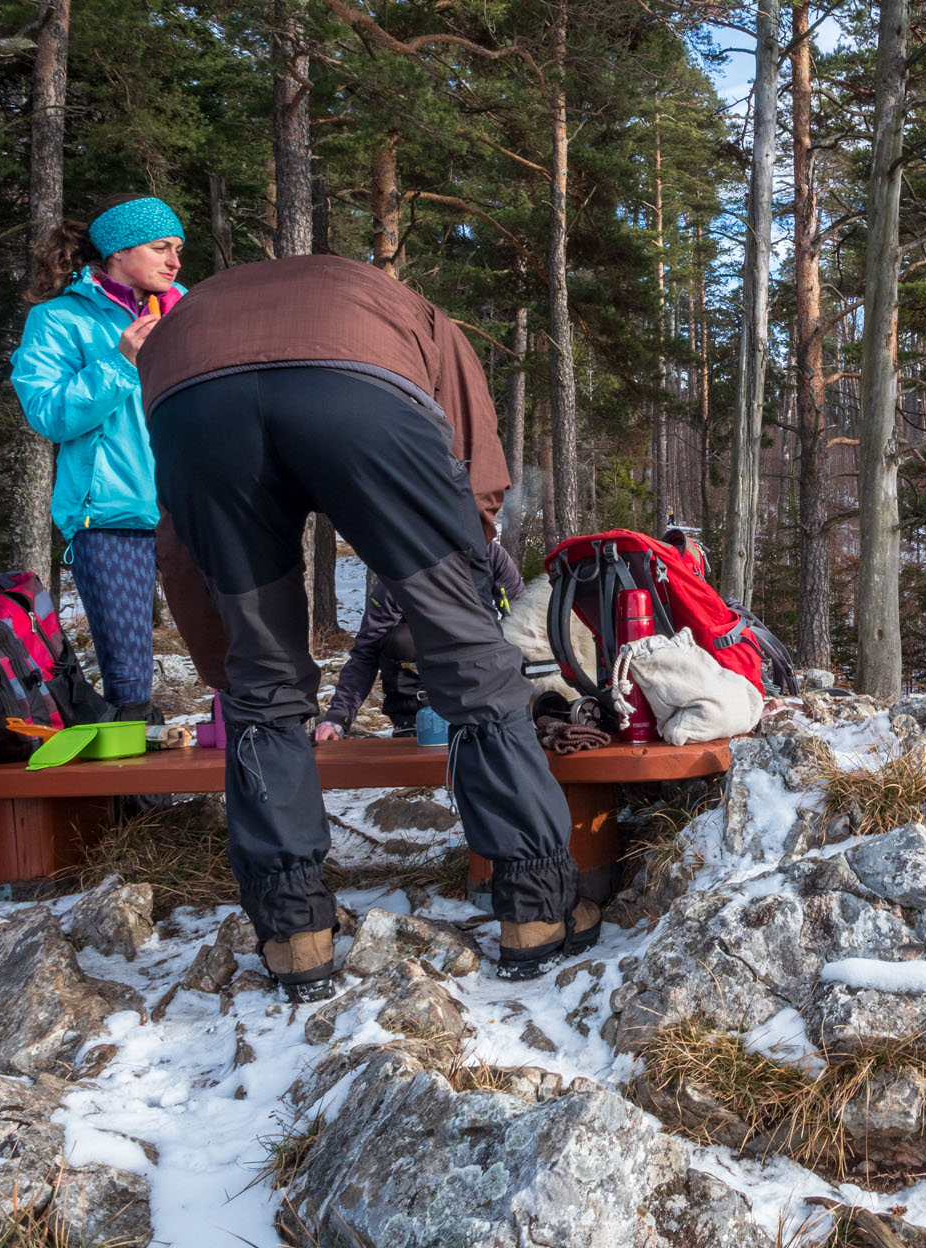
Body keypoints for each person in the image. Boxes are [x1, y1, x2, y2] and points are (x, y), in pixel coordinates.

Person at [137, 255, 595, 1001]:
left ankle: (294, 936)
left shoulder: (185, 321)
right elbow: (474, 467)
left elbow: (182, 550)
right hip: (361, 392)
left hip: (193, 398)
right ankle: (534, 913)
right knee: (473, 665)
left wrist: (232, 674)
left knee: (263, 683)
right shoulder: (413, 312)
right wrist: (456, 580)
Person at [11, 194, 187, 723]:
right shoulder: (59, 319)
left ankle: (239, 780)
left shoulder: (192, 311)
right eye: (160, 247)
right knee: (129, 673)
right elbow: (49, 415)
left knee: (232, 653)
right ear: (115, 251)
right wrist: (120, 362)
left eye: (178, 248)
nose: (174, 261)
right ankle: (139, 804)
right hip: (110, 511)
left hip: (196, 506)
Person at [314, 539, 525, 740]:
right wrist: (337, 718)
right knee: (401, 640)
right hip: (421, 675)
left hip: (483, 680)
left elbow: (524, 621)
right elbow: (366, 651)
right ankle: (411, 721)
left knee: (505, 636)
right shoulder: (404, 565)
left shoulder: (490, 554)